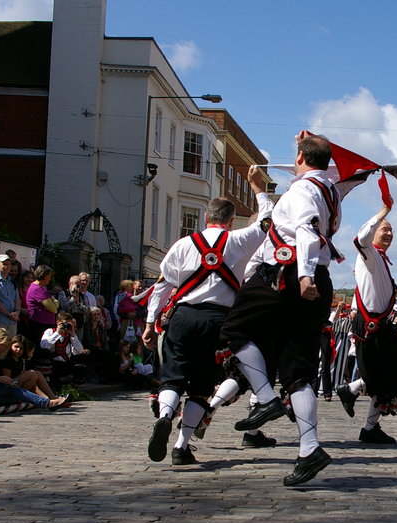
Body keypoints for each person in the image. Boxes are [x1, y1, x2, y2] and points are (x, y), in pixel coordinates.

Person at [219, 133, 343, 486]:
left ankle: (266, 398)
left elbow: (303, 229)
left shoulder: (303, 191)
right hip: (317, 276)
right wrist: (260, 191)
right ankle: (309, 449)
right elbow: (283, 222)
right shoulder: (330, 191)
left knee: (233, 330)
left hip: (286, 275)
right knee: (297, 371)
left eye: (296, 154)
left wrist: (303, 275)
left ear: (302, 157)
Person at [142, 190, 269, 465]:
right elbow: (266, 220)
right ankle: (180, 447)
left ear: (207, 217)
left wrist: (151, 322)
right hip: (218, 320)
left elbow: (162, 286)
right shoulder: (239, 239)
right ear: (231, 219)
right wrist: (259, 189)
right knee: (201, 387)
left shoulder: (182, 244)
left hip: (183, 316)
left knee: (173, 378)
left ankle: (165, 416)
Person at [335, 202, 397, 444]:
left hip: (381, 323)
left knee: (394, 372)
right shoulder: (368, 252)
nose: (389, 233)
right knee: (382, 375)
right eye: (384, 229)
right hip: (369, 324)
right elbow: (360, 238)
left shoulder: (380, 258)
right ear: (374, 231)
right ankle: (358, 402)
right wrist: (382, 213)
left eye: (390, 230)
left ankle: (363, 413)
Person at [0, 327, 69, 409]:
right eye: (1, 345)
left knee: (9, 396)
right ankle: (47, 403)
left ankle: (49, 400)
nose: (1, 349)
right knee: (13, 389)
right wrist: (0, 379)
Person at [40, 311, 90, 386]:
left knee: (82, 361)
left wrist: (73, 334)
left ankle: (73, 385)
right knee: (44, 354)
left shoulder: (71, 335)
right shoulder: (50, 331)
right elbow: (44, 345)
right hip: (53, 364)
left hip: (66, 364)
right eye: (66, 324)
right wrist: (58, 333)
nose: (67, 326)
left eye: (70, 325)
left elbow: (80, 351)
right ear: (58, 322)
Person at [0, 254, 20, 337]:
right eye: (4, 264)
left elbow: (17, 300)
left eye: (9, 264)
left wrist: (17, 312)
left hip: (13, 322)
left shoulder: (12, 282)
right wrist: (8, 314)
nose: (7, 266)